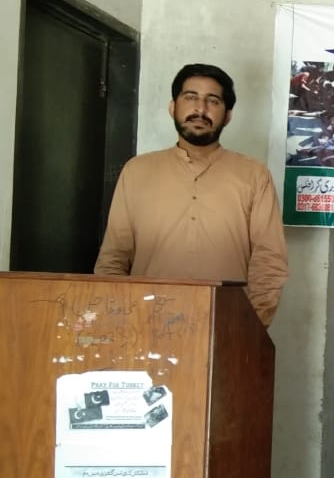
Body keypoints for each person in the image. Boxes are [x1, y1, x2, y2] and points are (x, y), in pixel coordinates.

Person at [94, 63, 289, 326]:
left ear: (228, 116)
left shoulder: (254, 176)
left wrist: (249, 327)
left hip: (226, 325)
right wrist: (120, 321)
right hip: (145, 324)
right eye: (190, 97)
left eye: (213, 101)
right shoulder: (137, 171)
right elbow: (114, 257)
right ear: (173, 107)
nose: (200, 109)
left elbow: (269, 262)